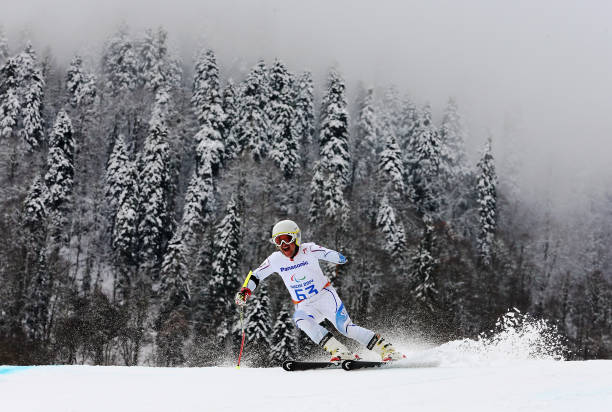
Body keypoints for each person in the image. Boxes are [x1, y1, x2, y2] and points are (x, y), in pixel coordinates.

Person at [235, 219, 404, 362]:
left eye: (286, 239)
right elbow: (256, 275)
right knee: (301, 319)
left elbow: (326, 253)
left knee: (345, 328)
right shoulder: (276, 259)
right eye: (278, 241)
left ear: (296, 238)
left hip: (325, 297)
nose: (283, 245)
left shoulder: (308, 249)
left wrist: (336, 257)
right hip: (304, 304)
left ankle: (387, 350)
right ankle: (340, 351)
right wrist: (245, 291)